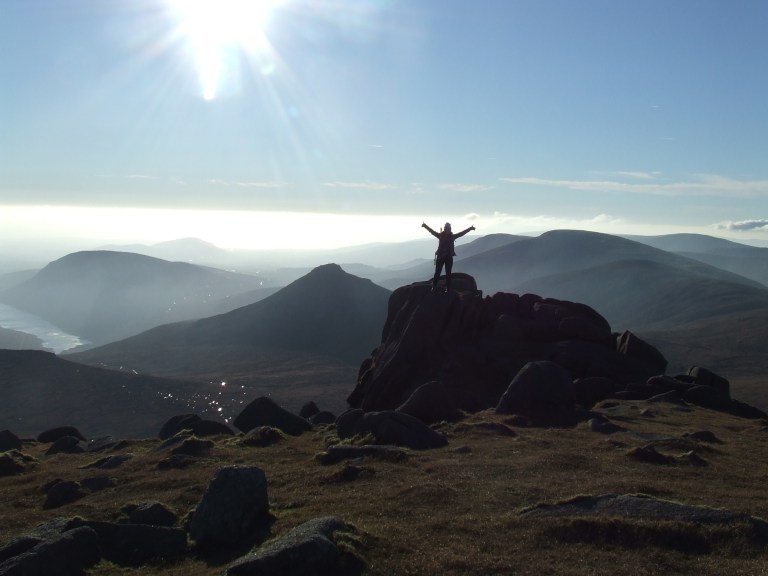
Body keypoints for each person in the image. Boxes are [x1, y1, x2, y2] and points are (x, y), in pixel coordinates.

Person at [422, 221, 475, 292]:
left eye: (448, 228)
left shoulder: (444, 236)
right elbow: (432, 231)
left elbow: (462, 233)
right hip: (444, 257)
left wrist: (470, 228)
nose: (447, 230)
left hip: (445, 257)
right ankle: (436, 287)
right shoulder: (448, 236)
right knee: (439, 272)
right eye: (446, 228)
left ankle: (445, 288)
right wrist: (425, 225)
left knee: (447, 273)